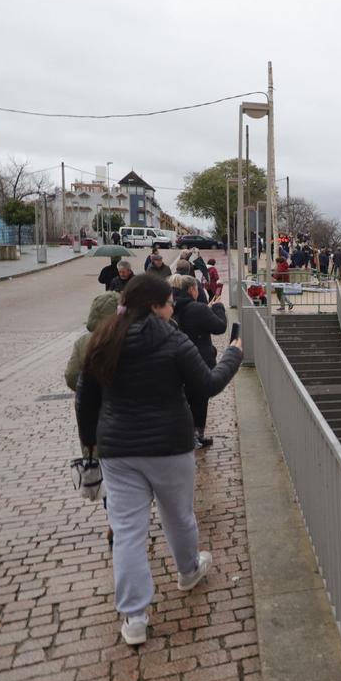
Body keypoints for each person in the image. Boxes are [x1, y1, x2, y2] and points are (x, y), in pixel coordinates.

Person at [75, 273, 242, 646]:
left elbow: (86, 398)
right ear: (154, 306)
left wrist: (90, 445)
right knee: (178, 515)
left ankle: (134, 617)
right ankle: (187, 571)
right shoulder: (173, 340)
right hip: (169, 444)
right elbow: (208, 385)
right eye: (168, 302)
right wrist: (234, 353)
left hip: (119, 450)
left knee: (128, 530)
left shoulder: (103, 339)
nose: (172, 307)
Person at [171, 274, 228, 448]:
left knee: (183, 399)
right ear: (191, 289)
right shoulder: (197, 308)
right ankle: (196, 435)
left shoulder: (170, 306)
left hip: (175, 362)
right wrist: (218, 307)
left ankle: (182, 434)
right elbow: (219, 326)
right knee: (199, 399)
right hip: (198, 360)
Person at [65, 292, 120, 390]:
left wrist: (88, 392)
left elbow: (71, 375)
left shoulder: (82, 342)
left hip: (93, 401)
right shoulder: (129, 337)